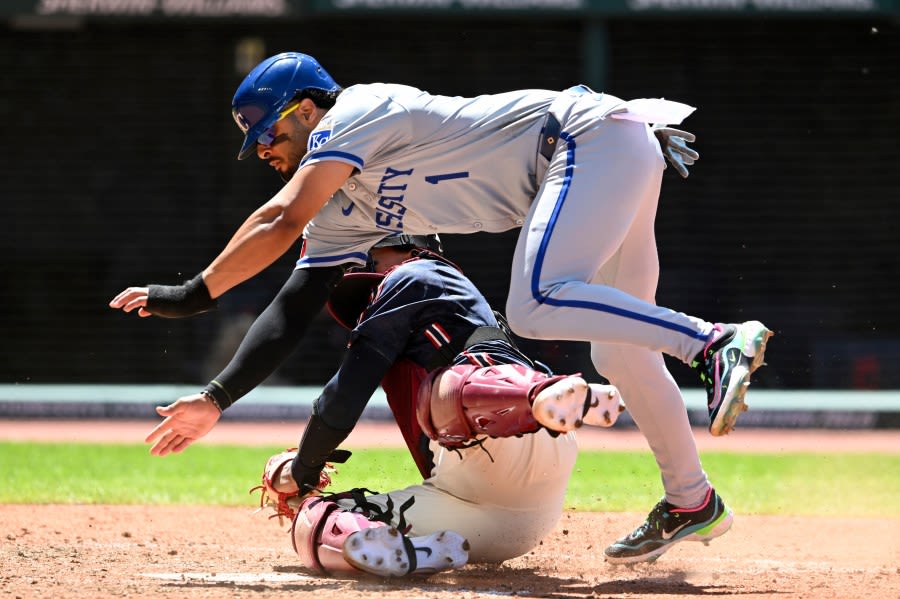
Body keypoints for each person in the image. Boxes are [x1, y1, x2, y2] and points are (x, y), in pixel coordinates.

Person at [109, 51, 773, 564]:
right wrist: (215, 398)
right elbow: (291, 308)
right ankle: (692, 498)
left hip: (584, 142)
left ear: (309, 108)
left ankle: (712, 342)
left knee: (537, 302)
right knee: (619, 349)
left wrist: (190, 295)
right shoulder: (346, 211)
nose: (260, 148)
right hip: (605, 148)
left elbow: (281, 218)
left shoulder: (356, 110)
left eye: (267, 129)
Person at [143, 233, 626, 577]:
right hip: (502, 517)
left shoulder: (418, 271)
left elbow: (342, 397)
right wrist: (305, 488)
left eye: (368, 263)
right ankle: (420, 556)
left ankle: (539, 397)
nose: (364, 281)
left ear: (402, 244)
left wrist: (305, 465)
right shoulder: (448, 301)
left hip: (502, 430)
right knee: (317, 525)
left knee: (441, 396)